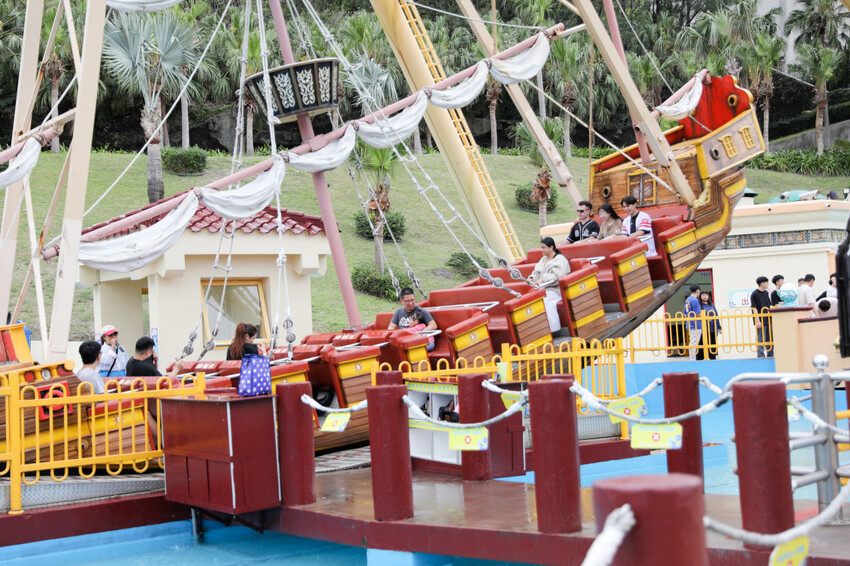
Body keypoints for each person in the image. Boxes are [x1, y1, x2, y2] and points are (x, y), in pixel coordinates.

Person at [528, 237, 570, 333]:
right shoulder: (543, 259)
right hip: (543, 289)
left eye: (544, 247)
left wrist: (543, 279)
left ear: (551, 247)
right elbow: (536, 272)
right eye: (541, 247)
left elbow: (559, 276)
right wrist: (531, 278)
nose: (541, 250)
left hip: (555, 289)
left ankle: (553, 330)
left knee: (545, 301)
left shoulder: (560, 259)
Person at [750, 276, 773, 358]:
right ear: (762, 283)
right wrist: (757, 320)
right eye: (766, 282)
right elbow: (754, 308)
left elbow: (769, 305)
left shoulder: (766, 293)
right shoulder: (754, 294)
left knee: (769, 337)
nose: (767, 284)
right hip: (760, 319)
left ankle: (770, 354)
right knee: (760, 338)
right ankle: (761, 355)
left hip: (768, 318)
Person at [696, 291, 721, 360]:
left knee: (712, 344)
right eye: (703, 295)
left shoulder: (712, 305)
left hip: (712, 328)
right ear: (700, 296)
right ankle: (699, 359)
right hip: (703, 328)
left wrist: (719, 327)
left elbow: (716, 315)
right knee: (702, 344)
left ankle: (712, 359)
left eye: (706, 295)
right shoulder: (699, 306)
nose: (704, 296)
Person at [684, 284, 702, 361]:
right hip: (696, 324)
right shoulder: (695, 300)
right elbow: (698, 313)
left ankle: (692, 357)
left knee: (692, 341)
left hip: (690, 324)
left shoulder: (687, 299)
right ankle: (692, 358)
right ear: (697, 291)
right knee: (694, 342)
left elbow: (685, 313)